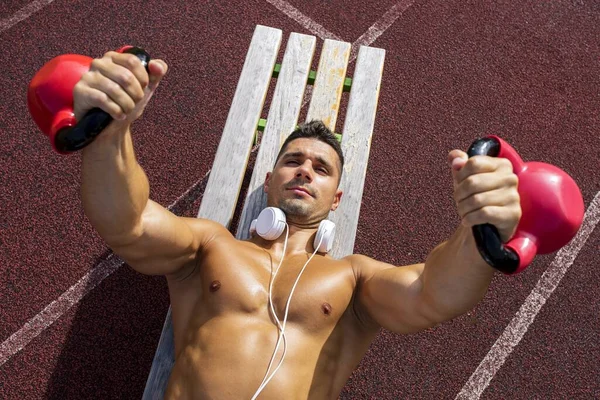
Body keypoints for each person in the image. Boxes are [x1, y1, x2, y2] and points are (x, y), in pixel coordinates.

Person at [75, 51, 521, 399]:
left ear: (336, 200)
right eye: (293, 161)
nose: (306, 170)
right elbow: (130, 224)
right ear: (269, 182)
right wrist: (110, 135)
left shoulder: (354, 278)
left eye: (321, 169)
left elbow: (433, 295)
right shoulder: (211, 246)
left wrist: (477, 231)